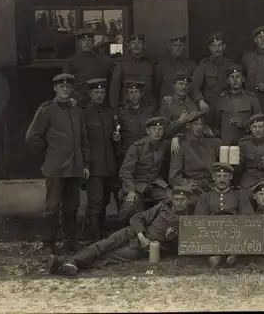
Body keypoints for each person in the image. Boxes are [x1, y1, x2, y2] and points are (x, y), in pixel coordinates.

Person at [47, 186, 193, 276]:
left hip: (146, 248)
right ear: (173, 200)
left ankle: (68, 265)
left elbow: (181, 247)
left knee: (109, 257)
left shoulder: (189, 221)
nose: (180, 202)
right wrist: (141, 235)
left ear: (188, 201)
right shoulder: (162, 207)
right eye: (177, 199)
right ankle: (70, 262)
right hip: (134, 232)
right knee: (103, 244)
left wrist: (172, 239)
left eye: (183, 200)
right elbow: (137, 218)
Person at [25, 73, 91, 255]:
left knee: (72, 207)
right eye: (62, 87)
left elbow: (84, 140)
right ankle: (49, 244)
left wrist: (86, 165)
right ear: (55, 88)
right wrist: (49, 151)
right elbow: (32, 137)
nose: (65, 90)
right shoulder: (46, 110)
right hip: (55, 168)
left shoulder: (77, 112)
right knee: (52, 206)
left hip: (75, 168)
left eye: (69, 87)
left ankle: (70, 243)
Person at [195, 162, 255, 267]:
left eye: (225, 176)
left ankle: (229, 254)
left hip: (234, 231)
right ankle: (219, 254)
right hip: (212, 232)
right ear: (213, 177)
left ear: (231, 177)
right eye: (219, 176)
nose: (222, 179)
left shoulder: (239, 194)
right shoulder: (205, 196)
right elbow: (199, 219)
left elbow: (248, 216)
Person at [118, 116, 174, 225]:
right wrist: (130, 190)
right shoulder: (137, 147)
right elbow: (126, 171)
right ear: (147, 131)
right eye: (154, 129)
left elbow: (179, 134)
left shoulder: (163, 146)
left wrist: (177, 139)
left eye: (160, 129)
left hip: (155, 184)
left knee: (172, 198)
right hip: (137, 185)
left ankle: (156, 226)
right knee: (130, 207)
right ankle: (127, 232)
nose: (157, 132)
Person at [83, 78, 118, 242]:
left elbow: (114, 138)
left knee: (104, 199)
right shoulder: (84, 114)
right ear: (90, 93)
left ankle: (100, 231)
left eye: (102, 92)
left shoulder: (110, 113)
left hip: (109, 164)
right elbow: (83, 141)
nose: (99, 95)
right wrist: (86, 164)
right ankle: (95, 237)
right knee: (95, 201)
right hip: (94, 165)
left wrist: (116, 137)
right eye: (96, 92)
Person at [169, 115, 222, 210]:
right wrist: (187, 184)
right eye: (195, 124)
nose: (199, 127)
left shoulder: (211, 142)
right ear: (188, 126)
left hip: (212, 185)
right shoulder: (180, 145)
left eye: (201, 124)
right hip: (193, 188)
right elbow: (174, 177)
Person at [63, 29, 115, 108]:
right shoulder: (71, 62)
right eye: (84, 40)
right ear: (79, 43)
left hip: (99, 103)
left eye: (89, 40)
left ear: (93, 42)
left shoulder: (105, 61)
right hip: (78, 104)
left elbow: (112, 85)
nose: (86, 43)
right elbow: (66, 85)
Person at [156, 35, 207, 114]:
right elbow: (157, 87)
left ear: (184, 47)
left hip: (186, 106)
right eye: (175, 46)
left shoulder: (191, 65)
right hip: (167, 105)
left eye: (180, 46)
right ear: (170, 47)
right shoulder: (161, 66)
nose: (178, 48)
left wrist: (200, 100)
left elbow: (194, 85)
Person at [191, 32, 233, 126]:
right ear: (210, 48)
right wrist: (200, 100)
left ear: (224, 46)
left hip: (227, 105)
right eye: (214, 46)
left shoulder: (230, 65)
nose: (217, 48)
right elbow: (194, 85)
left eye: (219, 45)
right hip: (209, 106)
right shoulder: (204, 65)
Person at [213, 65, 262, 145]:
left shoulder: (251, 98)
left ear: (243, 79)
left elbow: (260, 122)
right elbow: (216, 124)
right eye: (232, 77)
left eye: (238, 77)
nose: (235, 80)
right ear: (228, 81)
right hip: (226, 144)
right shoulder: (222, 99)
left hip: (246, 144)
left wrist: (245, 124)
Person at [109, 34, 156, 111]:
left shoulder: (151, 65)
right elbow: (114, 91)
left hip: (147, 109)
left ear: (144, 46)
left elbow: (156, 89)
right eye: (133, 43)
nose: (136, 46)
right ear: (129, 46)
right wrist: (114, 111)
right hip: (127, 109)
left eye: (139, 43)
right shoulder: (122, 65)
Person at [160, 72, 209, 136]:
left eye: (186, 84)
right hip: (174, 141)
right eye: (180, 84)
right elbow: (164, 130)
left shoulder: (194, 103)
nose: (184, 87)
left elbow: (201, 123)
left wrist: (206, 128)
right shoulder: (168, 103)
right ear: (173, 85)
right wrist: (180, 122)